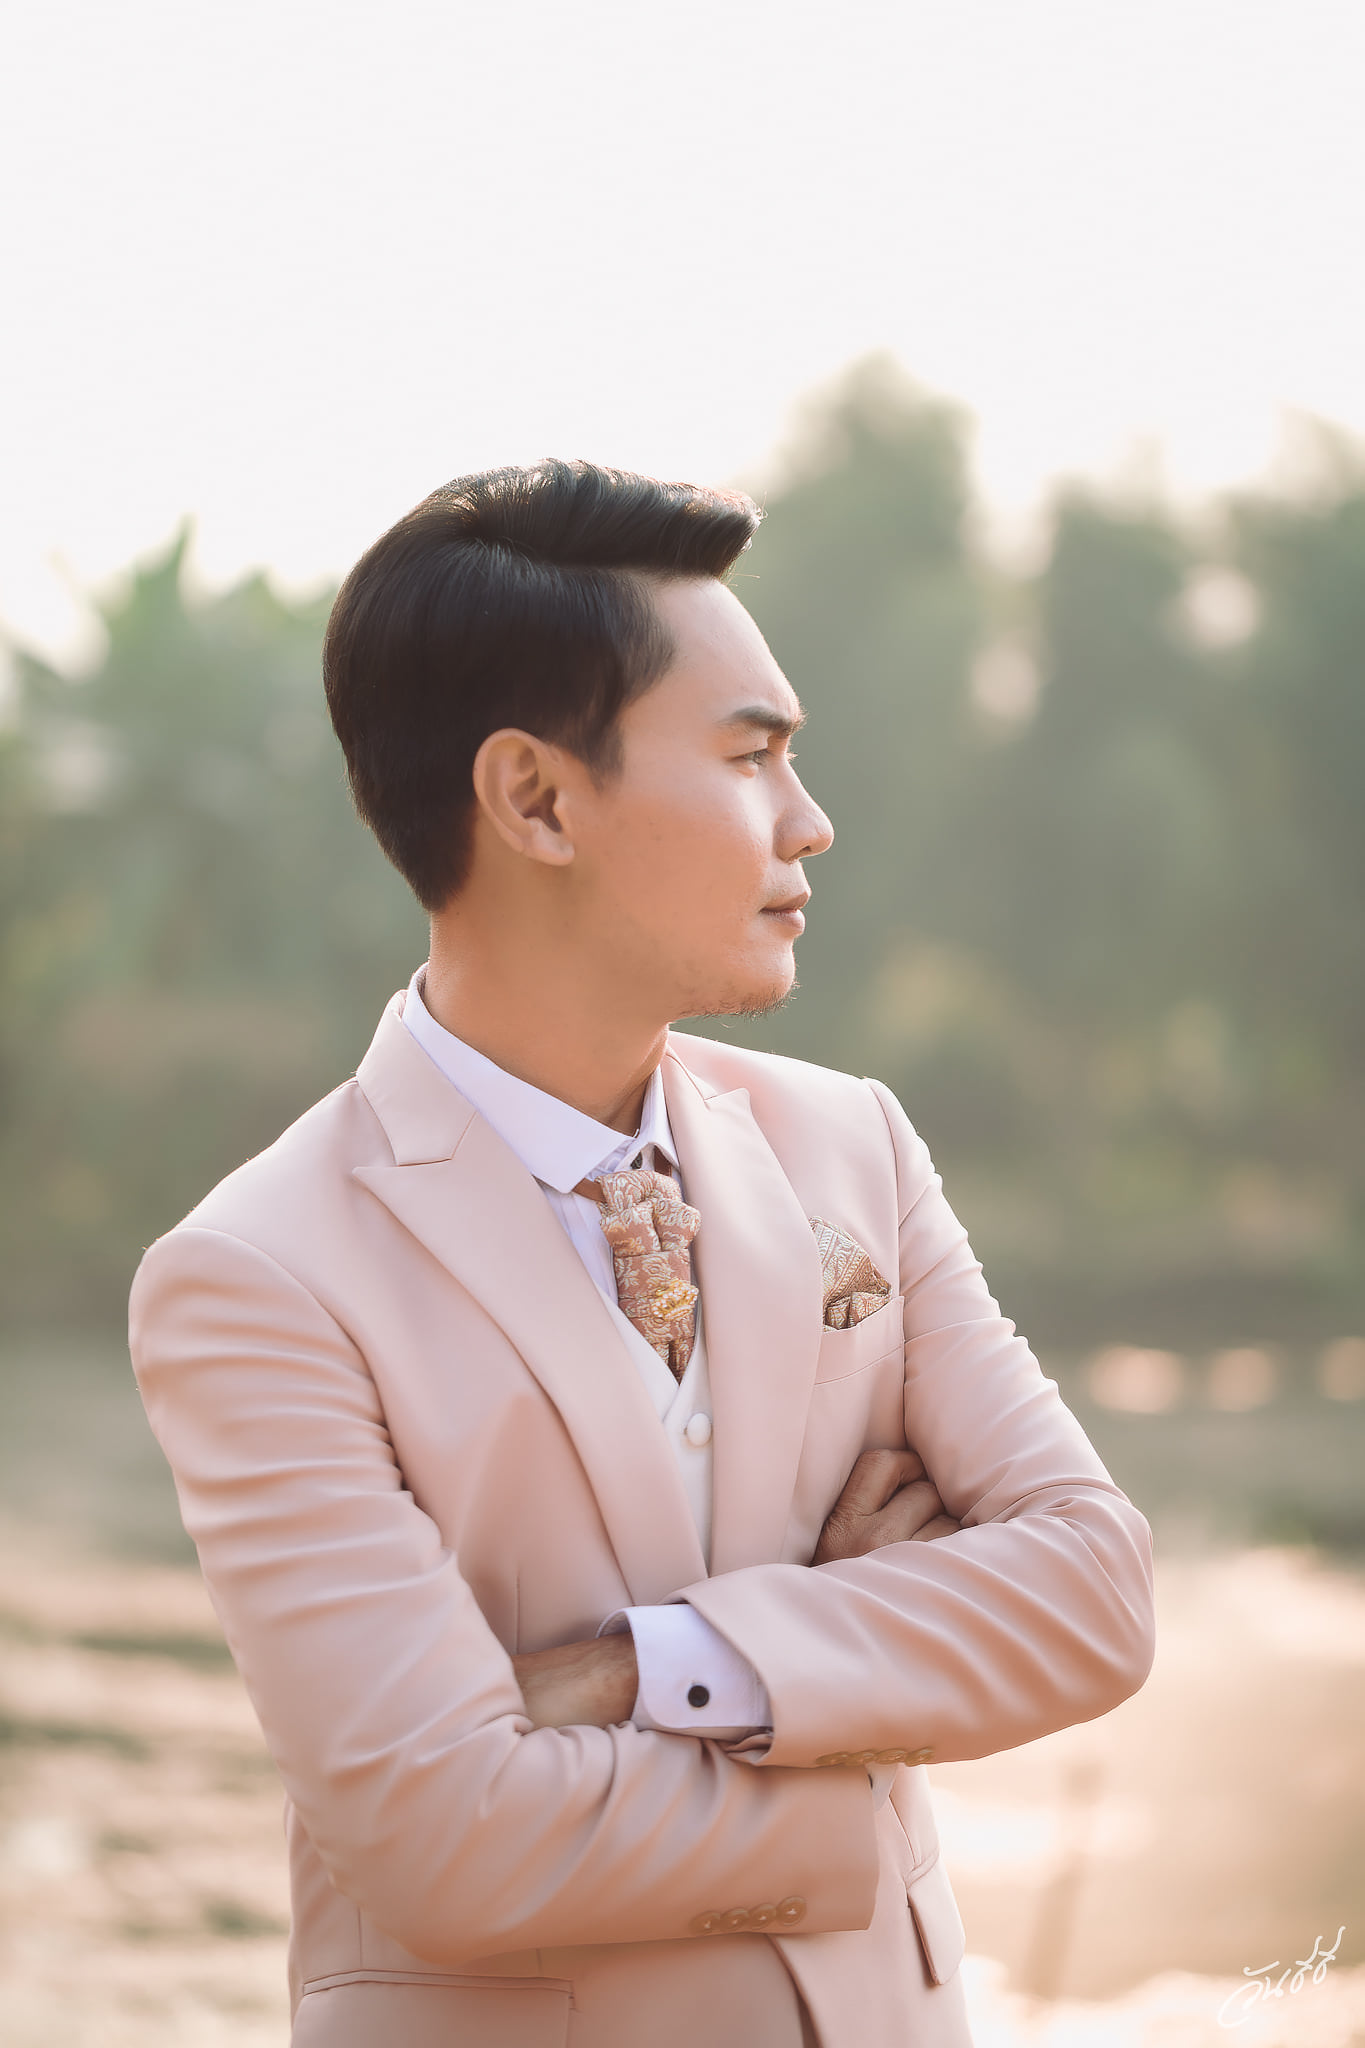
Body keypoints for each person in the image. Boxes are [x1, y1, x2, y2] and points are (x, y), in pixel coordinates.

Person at [129, 458, 1156, 2048]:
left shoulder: (851, 1146)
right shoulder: (258, 1276)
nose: (808, 820)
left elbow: (1092, 1593)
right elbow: (448, 1845)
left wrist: (638, 1668)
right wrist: (853, 1738)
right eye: (749, 757)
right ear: (535, 800)